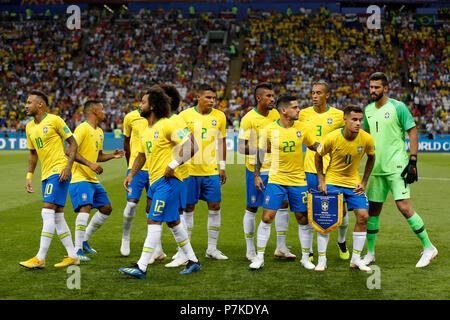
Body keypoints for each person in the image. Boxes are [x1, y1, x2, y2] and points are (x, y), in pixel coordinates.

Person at [119, 85, 201, 279]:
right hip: (156, 182)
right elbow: (140, 155)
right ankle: (193, 261)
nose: (140, 105)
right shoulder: (147, 129)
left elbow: (192, 145)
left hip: (169, 181)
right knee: (173, 222)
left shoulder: (167, 125)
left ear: (153, 106)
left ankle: (141, 267)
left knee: (153, 219)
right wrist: (131, 174)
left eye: (143, 102)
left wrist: (173, 164)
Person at [362, 72, 437, 268]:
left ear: (385, 88)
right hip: (376, 168)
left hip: (396, 166)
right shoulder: (368, 110)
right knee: (373, 211)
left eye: (377, 87)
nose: (373, 91)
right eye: (371, 87)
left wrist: (413, 160)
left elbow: (412, 131)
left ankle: (429, 247)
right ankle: (370, 253)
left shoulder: (398, 107)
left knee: (404, 207)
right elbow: (366, 136)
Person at [250, 95, 320, 270]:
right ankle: (259, 257)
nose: (298, 110)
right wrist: (257, 175)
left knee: (302, 218)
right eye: (295, 107)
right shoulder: (269, 129)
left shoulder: (303, 128)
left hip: (298, 180)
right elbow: (259, 153)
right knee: (267, 217)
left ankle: (306, 258)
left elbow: (314, 145)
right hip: (276, 179)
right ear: (283, 110)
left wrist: (328, 146)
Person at [19, 91, 80, 269]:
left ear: (40, 104)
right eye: (26, 103)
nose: (26, 106)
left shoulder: (55, 120)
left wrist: (68, 167)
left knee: (46, 213)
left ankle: (40, 258)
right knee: (58, 216)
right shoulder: (29, 127)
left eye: (29, 102)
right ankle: (73, 256)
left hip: (58, 171)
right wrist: (29, 175)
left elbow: (73, 143)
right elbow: (32, 153)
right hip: (46, 174)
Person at [238, 83, 294, 263]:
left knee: (283, 205)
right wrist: (263, 148)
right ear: (259, 98)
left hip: (278, 169)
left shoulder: (277, 115)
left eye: (273, 95)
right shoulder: (248, 119)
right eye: (269, 96)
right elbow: (241, 147)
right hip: (257, 169)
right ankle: (250, 249)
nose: (272, 99)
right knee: (252, 207)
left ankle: (281, 247)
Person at [315, 105, 375, 272]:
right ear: (345, 120)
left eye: (360, 120)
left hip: (353, 183)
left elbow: (371, 157)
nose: (358, 123)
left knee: (363, 216)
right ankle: (322, 260)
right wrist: (321, 179)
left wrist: (364, 182)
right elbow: (318, 155)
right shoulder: (332, 137)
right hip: (333, 182)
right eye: (354, 120)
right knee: (325, 220)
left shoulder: (366, 138)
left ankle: (356, 258)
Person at [68, 100, 125, 262]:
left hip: (91, 178)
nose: (104, 113)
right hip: (79, 177)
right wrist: (90, 164)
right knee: (85, 207)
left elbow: (98, 155)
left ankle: (84, 239)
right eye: (102, 110)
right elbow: (69, 150)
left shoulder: (99, 131)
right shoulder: (82, 128)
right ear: (94, 111)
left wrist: (112, 156)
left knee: (106, 208)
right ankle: (77, 249)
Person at [298, 81, 348, 261]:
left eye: (319, 93)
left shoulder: (339, 115)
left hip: (334, 171)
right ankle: (309, 251)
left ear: (327, 95)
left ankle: (341, 242)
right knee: (310, 211)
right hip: (310, 170)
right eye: (312, 93)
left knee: (341, 212)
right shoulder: (302, 114)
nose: (314, 96)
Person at [179, 84, 228, 260]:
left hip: (211, 170)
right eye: (208, 97)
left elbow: (222, 142)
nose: (212, 101)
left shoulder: (220, 116)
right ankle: (185, 252)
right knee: (188, 208)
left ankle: (211, 249)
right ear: (198, 97)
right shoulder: (184, 116)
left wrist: (222, 166)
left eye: (214, 98)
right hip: (189, 170)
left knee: (215, 206)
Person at [120, 94, 154, 259]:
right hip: (136, 167)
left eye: (144, 102)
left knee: (152, 209)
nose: (140, 105)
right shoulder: (130, 118)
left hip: (155, 169)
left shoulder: (160, 119)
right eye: (140, 101)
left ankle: (153, 245)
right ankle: (125, 237)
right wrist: (130, 165)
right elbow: (126, 142)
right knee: (132, 204)